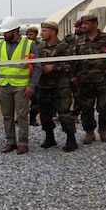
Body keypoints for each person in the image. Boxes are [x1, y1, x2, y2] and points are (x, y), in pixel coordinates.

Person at [0, 16, 42, 155]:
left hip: (21, 86)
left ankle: (23, 143)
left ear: (15, 31)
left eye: (6, 32)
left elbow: (38, 66)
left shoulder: (28, 44)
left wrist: (32, 85)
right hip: (4, 86)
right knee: (7, 115)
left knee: (22, 115)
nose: (4, 34)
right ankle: (11, 142)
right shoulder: (0, 45)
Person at [72, 13, 106, 144]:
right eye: (83, 23)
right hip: (85, 80)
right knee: (86, 108)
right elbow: (73, 60)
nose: (83, 26)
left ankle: (103, 129)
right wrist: (74, 76)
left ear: (95, 24)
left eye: (87, 23)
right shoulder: (80, 40)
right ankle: (89, 132)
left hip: (103, 79)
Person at [37, 21, 78, 152]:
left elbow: (72, 64)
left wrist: (54, 67)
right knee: (44, 113)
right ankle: (50, 137)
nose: (41, 33)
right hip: (44, 85)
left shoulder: (64, 47)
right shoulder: (39, 47)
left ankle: (71, 139)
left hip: (61, 86)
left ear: (53, 32)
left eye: (44, 30)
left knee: (65, 113)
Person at [25, 26, 40, 126]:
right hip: (25, 75)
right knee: (23, 99)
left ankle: (32, 118)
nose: (29, 36)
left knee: (35, 100)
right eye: (28, 34)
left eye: (31, 34)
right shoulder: (24, 45)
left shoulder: (39, 46)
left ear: (36, 34)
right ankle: (21, 117)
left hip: (35, 75)